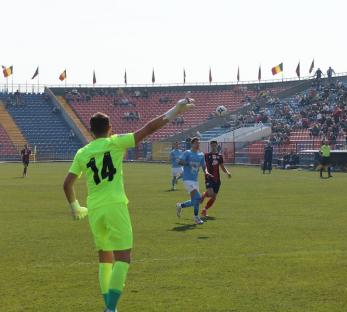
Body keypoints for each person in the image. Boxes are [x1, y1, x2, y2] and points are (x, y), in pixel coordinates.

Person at [62, 98, 194, 312]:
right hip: (115, 205)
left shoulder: (82, 153)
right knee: (123, 257)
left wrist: (75, 207)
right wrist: (175, 110)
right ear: (110, 129)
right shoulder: (115, 142)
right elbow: (148, 128)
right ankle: (110, 309)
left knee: (105, 259)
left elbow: (67, 184)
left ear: (91, 131)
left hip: (94, 209)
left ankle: (108, 307)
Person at [176, 137, 213, 224]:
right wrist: (188, 163)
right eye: (196, 143)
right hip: (187, 179)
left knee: (195, 201)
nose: (197, 144)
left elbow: (204, 167)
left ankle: (180, 205)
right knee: (199, 197)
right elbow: (180, 162)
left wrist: (207, 172)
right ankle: (196, 217)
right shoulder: (187, 153)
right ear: (192, 144)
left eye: (198, 143)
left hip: (195, 180)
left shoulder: (201, 155)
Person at [200, 140, 232, 217]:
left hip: (217, 179)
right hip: (209, 177)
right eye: (212, 145)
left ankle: (204, 209)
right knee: (210, 194)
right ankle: (204, 195)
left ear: (217, 145)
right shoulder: (207, 155)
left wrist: (227, 172)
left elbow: (222, 167)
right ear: (210, 146)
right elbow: (202, 164)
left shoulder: (219, 156)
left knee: (214, 197)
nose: (214, 147)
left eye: (215, 145)